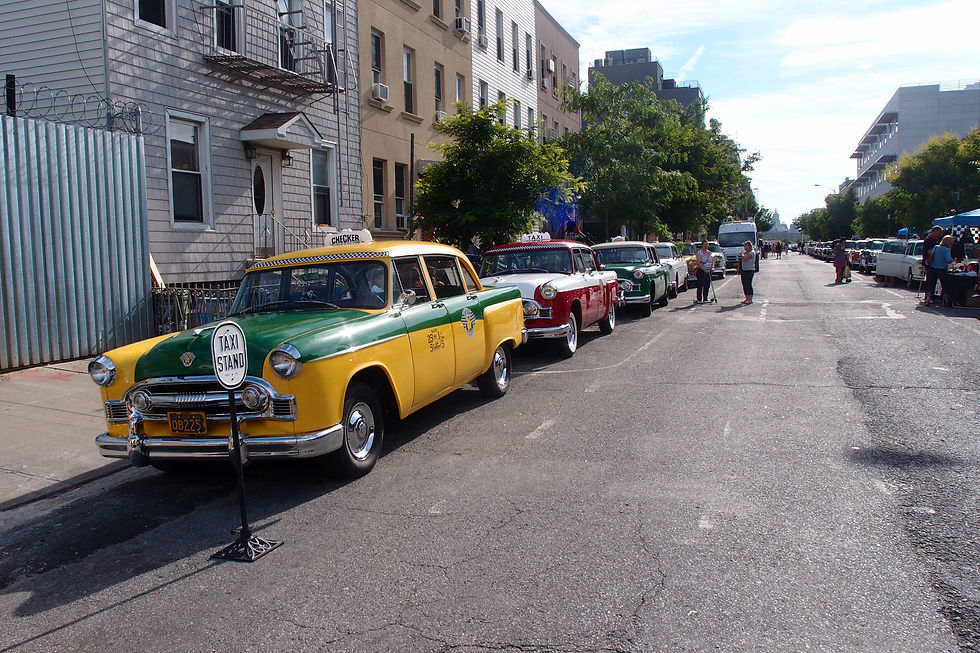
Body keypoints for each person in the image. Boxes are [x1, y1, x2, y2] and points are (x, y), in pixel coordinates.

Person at [923, 234, 954, 305]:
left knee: (931, 284)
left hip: (932, 268)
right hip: (942, 269)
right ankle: (946, 300)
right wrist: (953, 259)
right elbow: (948, 259)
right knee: (944, 285)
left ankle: (928, 299)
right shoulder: (947, 249)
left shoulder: (936, 247)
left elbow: (931, 255)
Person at [695, 240, 713, 304]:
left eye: (707, 244)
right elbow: (698, 263)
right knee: (700, 284)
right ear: (702, 245)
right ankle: (699, 299)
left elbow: (712, 261)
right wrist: (704, 270)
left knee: (707, 284)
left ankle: (705, 298)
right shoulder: (699, 253)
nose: (706, 246)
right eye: (705, 244)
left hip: (709, 271)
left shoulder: (709, 253)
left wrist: (711, 268)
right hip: (701, 271)